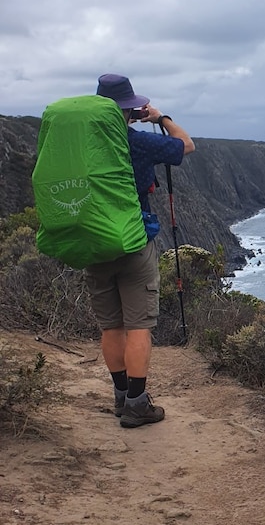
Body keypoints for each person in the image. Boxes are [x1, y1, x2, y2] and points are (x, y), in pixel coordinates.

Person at [85, 73, 195, 428]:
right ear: (130, 111)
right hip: (133, 241)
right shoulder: (136, 142)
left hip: (95, 242)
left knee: (111, 324)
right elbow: (185, 145)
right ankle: (136, 403)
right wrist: (160, 118)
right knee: (138, 325)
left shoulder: (84, 147)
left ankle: (120, 396)